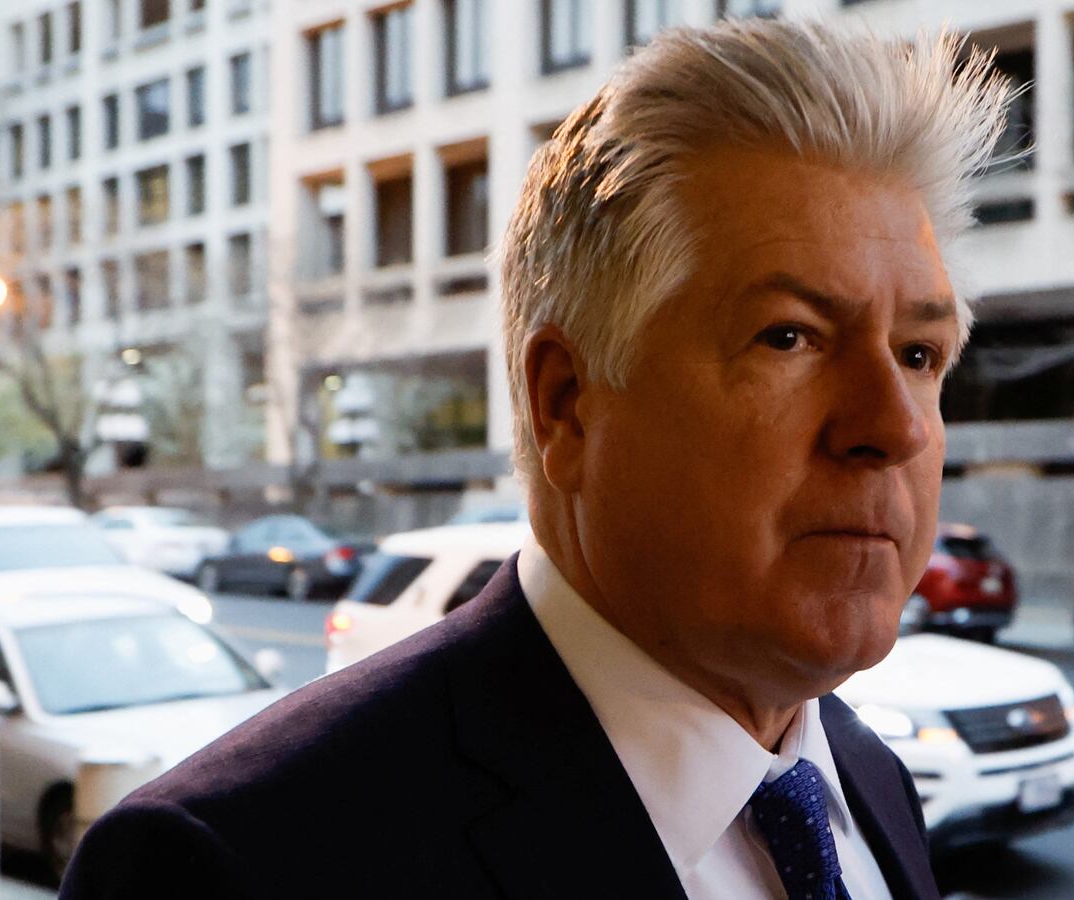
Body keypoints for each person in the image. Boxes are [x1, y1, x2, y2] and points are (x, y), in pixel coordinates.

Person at [60, 18, 1010, 900]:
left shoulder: (867, 781)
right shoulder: (230, 867)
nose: (895, 425)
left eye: (919, 355)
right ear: (567, 404)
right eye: (789, 338)